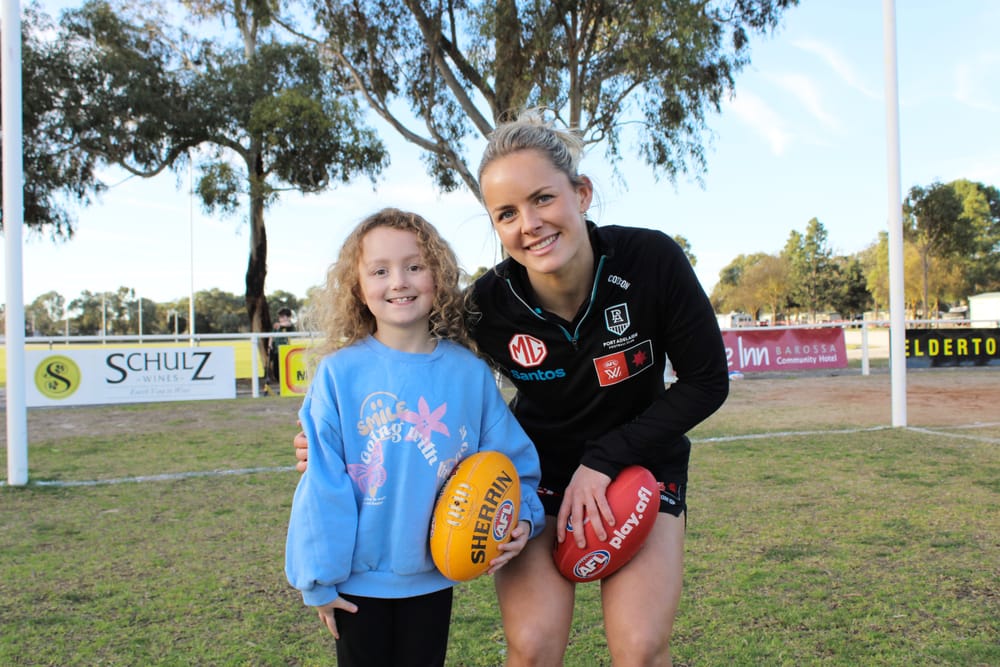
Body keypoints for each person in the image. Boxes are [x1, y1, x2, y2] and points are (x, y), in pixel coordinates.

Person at [295, 110, 730, 666]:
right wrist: (332, 439)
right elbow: (407, 363)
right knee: (531, 647)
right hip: (537, 481)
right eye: (506, 213)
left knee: (641, 649)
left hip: (640, 465)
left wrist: (605, 459)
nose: (530, 223)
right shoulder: (485, 307)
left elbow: (706, 381)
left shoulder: (651, 261)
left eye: (543, 199)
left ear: (582, 192)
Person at [285, 208, 545, 667]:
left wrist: (521, 518)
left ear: (438, 277)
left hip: (434, 576)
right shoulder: (339, 374)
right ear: (358, 288)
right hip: (356, 585)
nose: (399, 281)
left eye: (414, 266)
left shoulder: (469, 374)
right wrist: (318, 580)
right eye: (380, 271)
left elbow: (512, 462)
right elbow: (323, 483)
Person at [267, 307, 295, 384]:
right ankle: (281, 384)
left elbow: (288, 324)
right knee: (276, 370)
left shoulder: (289, 326)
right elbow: (271, 335)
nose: (281, 319)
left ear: (289, 317)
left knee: (285, 370)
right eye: (280, 317)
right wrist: (270, 345)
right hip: (276, 351)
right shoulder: (277, 327)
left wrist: (280, 324)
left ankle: (285, 385)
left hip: (286, 352)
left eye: (283, 317)